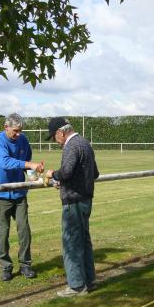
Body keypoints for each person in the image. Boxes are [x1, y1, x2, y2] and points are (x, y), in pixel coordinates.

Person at [45, 117, 99, 297]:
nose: (54, 140)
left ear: (61, 132)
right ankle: (89, 281)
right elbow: (95, 173)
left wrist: (53, 174)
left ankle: (76, 285)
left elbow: (66, 172)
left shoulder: (70, 145)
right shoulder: (85, 143)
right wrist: (68, 182)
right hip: (86, 200)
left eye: (54, 136)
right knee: (84, 240)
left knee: (71, 242)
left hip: (73, 202)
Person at [0, 113, 44, 281]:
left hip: (20, 192)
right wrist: (29, 165)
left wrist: (32, 174)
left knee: (24, 230)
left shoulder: (23, 140)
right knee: (2, 233)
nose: (18, 134)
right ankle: (6, 267)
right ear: (6, 127)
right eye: (15, 131)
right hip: (1, 193)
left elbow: (27, 161)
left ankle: (25, 265)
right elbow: (5, 162)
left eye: (21, 130)